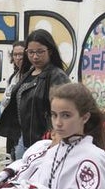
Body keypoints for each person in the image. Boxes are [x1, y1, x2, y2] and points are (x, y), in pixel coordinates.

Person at [12, 29, 70, 159]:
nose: (35, 57)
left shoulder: (57, 76)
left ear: (49, 51)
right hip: (24, 140)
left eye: (40, 52)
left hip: (45, 142)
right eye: (31, 52)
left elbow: (65, 110)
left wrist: (55, 136)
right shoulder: (28, 73)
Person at [0, 40, 27, 160]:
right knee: (10, 159)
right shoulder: (14, 77)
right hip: (12, 128)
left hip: (22, 128)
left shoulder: (30, 77)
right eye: (15, 55)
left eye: (21, 54)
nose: (18, 58)